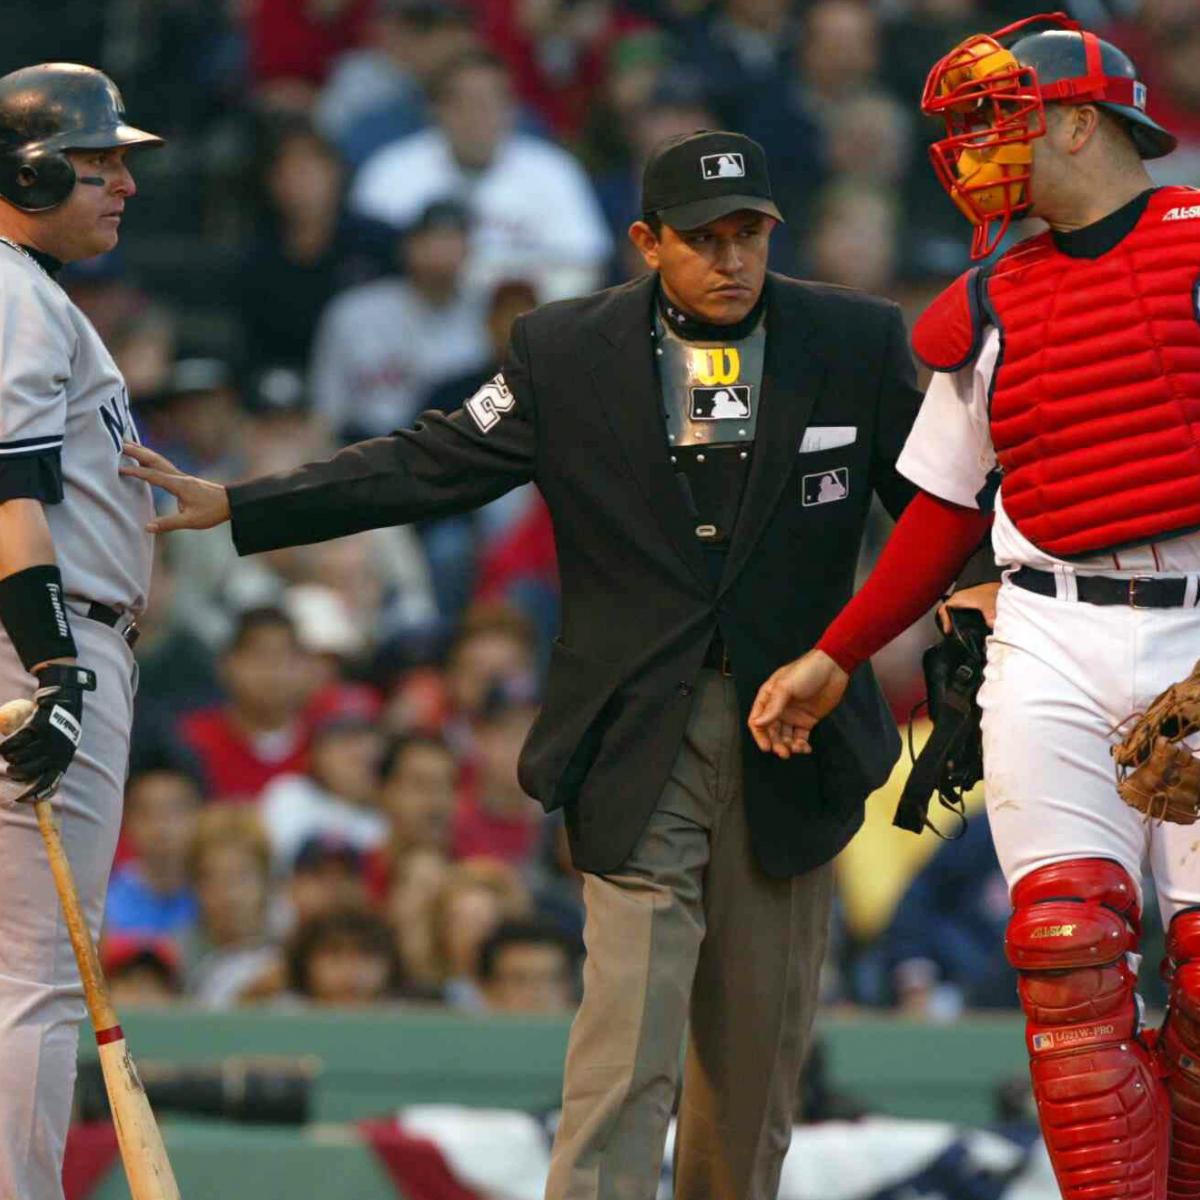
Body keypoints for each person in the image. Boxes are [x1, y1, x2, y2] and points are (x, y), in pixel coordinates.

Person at [122, 129, 925, 1197]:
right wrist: (246, 502)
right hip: (641, 736)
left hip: (797, 734)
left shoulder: (857, 340)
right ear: (645, 241)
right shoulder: (564, 350)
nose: (732, 259)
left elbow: (936, 508)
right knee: (624, 1042)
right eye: (704, 239)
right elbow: (432, 463)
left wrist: (973, 604)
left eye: (750, 235)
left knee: (752, 1066)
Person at [748, 16, 1200, 1200]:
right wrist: (838, 654)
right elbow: (943, 510)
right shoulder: (993, 297)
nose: (968, 150)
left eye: (996, 119)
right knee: (1065, 948)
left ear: (1080, 121)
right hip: (1048, 625)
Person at [0, 62, 162, 1200]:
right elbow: (7, 493)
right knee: (40, 973)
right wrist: (56, 665)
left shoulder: (28, 291)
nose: (122, 183)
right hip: (42, 639)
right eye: (100, 161)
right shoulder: (9, 287)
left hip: (47, 633)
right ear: (30, 165)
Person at [350, 49, 612, 301]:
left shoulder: (553, 170)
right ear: (436, 110)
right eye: (463, 103)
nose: (477, 116)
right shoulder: (390, 171)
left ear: (511, 110)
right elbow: (368, 269)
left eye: (491, 102)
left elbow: (585, 265)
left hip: (525, 325)